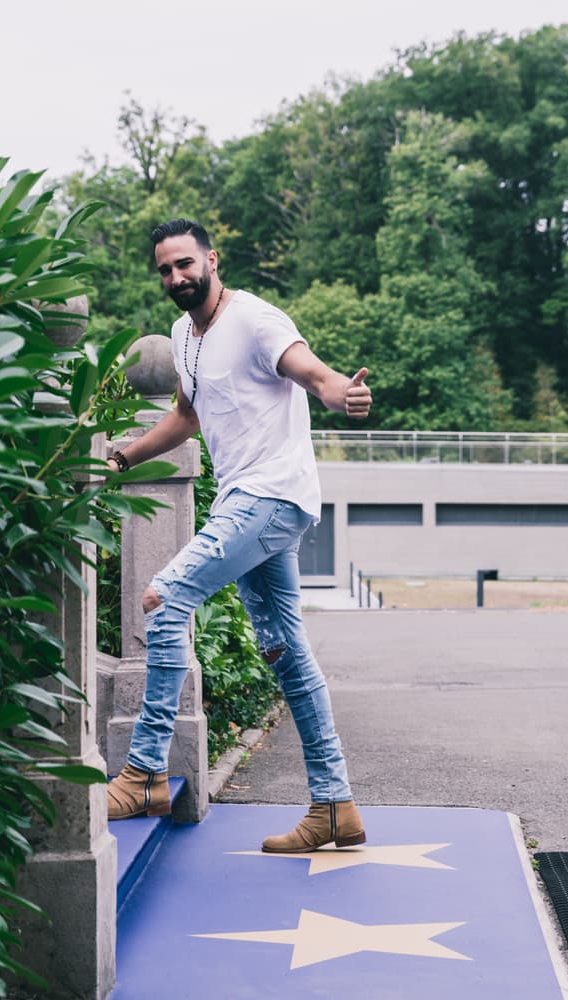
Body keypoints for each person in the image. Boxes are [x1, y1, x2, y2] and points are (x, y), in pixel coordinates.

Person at [105, 218, 372, 853]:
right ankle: (335, 806)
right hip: (244, 500)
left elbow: (308, 370)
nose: (176, 278)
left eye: (185, 265)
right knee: (285, 648)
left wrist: (338, 391)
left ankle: (144, 773)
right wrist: (125, 457)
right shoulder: (182, 336)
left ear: (211, 259)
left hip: (271, 495)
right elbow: (188, 416)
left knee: (165, 598)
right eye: (165, 270)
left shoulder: (254, 319)